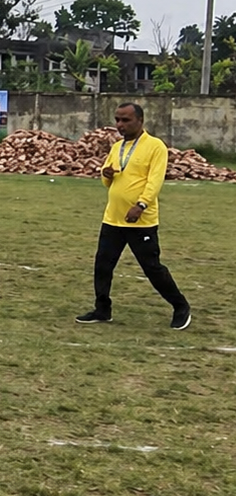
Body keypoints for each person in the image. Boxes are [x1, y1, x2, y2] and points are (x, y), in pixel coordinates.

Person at [77, 102, 191, 329]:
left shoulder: (155, 146)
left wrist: (141, 205)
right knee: (102, 266)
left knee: (152, 268)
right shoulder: (117, 146)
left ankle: (181, 307)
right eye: (117, 120)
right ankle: (102, 309)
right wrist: (106, 174)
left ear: (140, 121)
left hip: (141, 220)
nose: (120, 125)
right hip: (113, 218)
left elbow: (154, 181)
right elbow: (107, 181)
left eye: (126, 120)